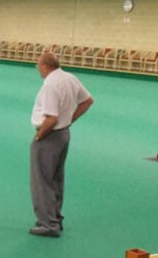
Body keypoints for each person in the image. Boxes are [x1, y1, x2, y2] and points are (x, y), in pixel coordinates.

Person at [28, 52, 93, 238]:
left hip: (50, 135)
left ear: (45, 66)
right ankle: (55, 217)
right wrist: (71, 119)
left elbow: (51, 118)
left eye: (38, 65)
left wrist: (39, 136)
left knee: (42, 181)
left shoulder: (50, 85)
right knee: (56, 179)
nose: (37, 68)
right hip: (64, 134)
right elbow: (88, 100)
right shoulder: (70, 78)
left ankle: (48, 224)